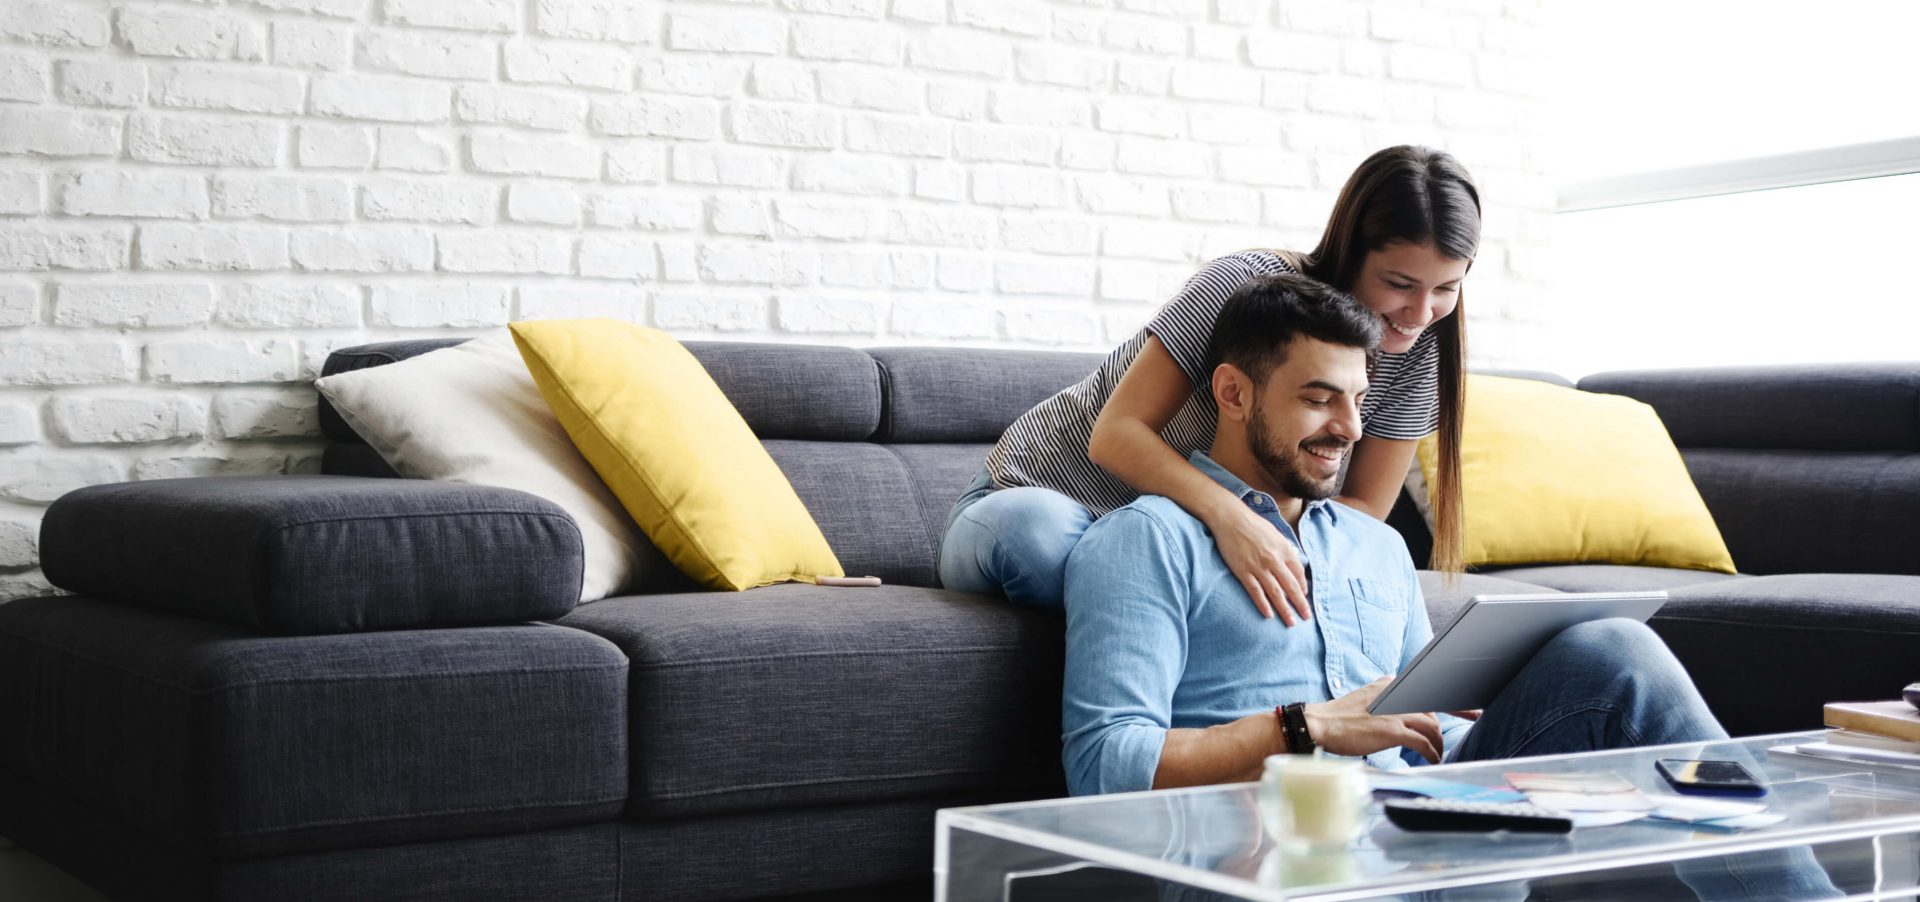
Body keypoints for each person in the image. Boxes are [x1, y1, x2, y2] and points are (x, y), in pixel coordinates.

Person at [1056, 274, 1840, 900]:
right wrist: (1305, 730)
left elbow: (1423, 736)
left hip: (1429, 842)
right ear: (1232, 393)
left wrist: (1537, 750)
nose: (1350, 430)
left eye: (1360, 401)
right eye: (1318, 398)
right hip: (1277, 862)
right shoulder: (1146, 540)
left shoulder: (1375, 546)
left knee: (1615, 648)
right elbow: (1103, 764)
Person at [941, 145, 1476, 621]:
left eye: (1446, 288)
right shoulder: (1244, 285)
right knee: (1047, 544)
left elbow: (1360, 514)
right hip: (1048, 500)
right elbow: (1115, 436)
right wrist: (1234, 522)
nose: (1421, 312)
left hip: (1177, 546)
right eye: (1399, 284)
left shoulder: (1420, 353)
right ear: (1351, 250)